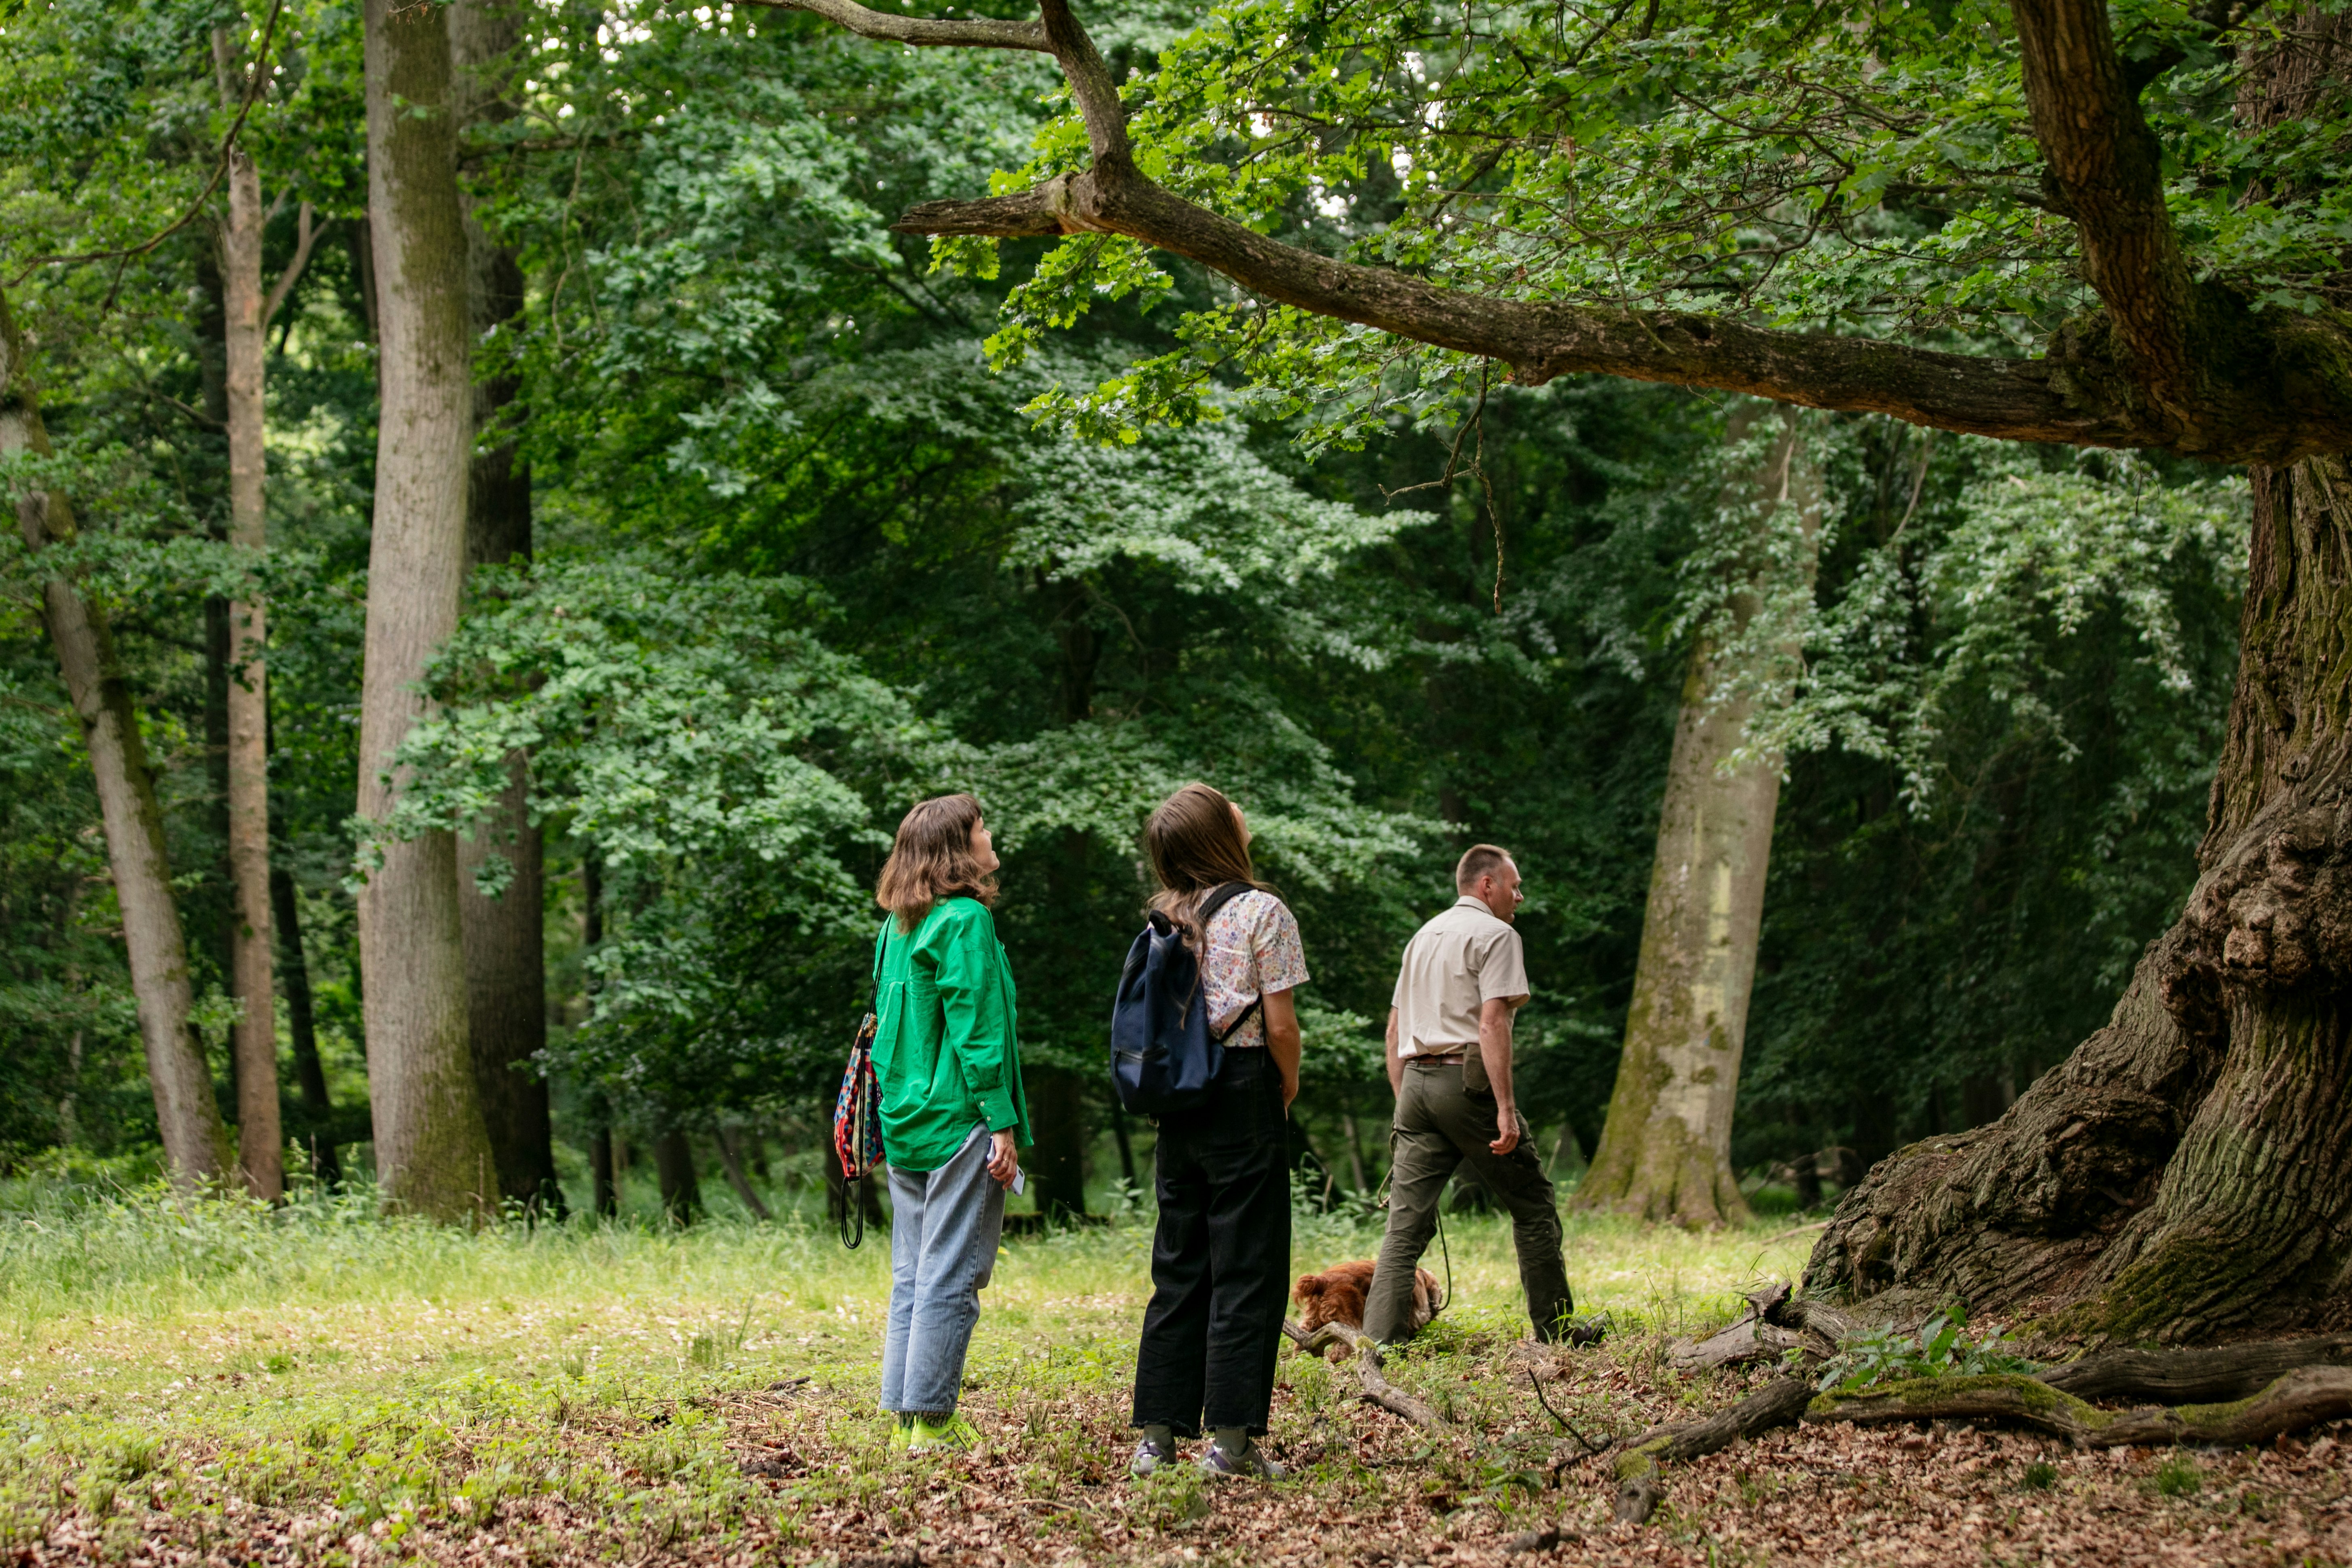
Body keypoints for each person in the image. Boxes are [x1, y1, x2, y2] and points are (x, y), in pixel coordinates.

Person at [1129, 783, 1307, 1480]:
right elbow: (1282, 1024)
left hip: (1177, 1101)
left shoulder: (1161, 917)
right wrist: (1284, 1083)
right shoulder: (1263, 910)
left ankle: (1155, 1440)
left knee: (1177, 1264)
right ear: (1218, 833)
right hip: (1242, 1089)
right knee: (1247, 1265)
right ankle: (1230, 1445)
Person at [871, 793, 1030, 1454]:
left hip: (903, 1119)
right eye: (981, 827)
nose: (991, 835)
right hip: (959, 1118)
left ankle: (905, 1419)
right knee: (952, 1274)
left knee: (913, 1271)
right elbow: (977, 1029)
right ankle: (933, 1423)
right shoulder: (964, 920)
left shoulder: (898, 927)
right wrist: (1000, 1121)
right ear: (957, 850)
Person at [1363, 844, 1573, 1344]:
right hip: (1466, 1083)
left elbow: (1394, 1031)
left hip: (1415, 1086)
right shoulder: (1497, 935)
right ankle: (1558, 1332)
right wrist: (1505, 1109)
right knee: (1534, 1204)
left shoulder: (1422, 937)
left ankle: (1377, 1349)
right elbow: (1492, 1021)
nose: (1519, 897)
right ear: (1487, 886)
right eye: (1514, 886)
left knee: (1403, 1229)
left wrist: (1404, 1104)